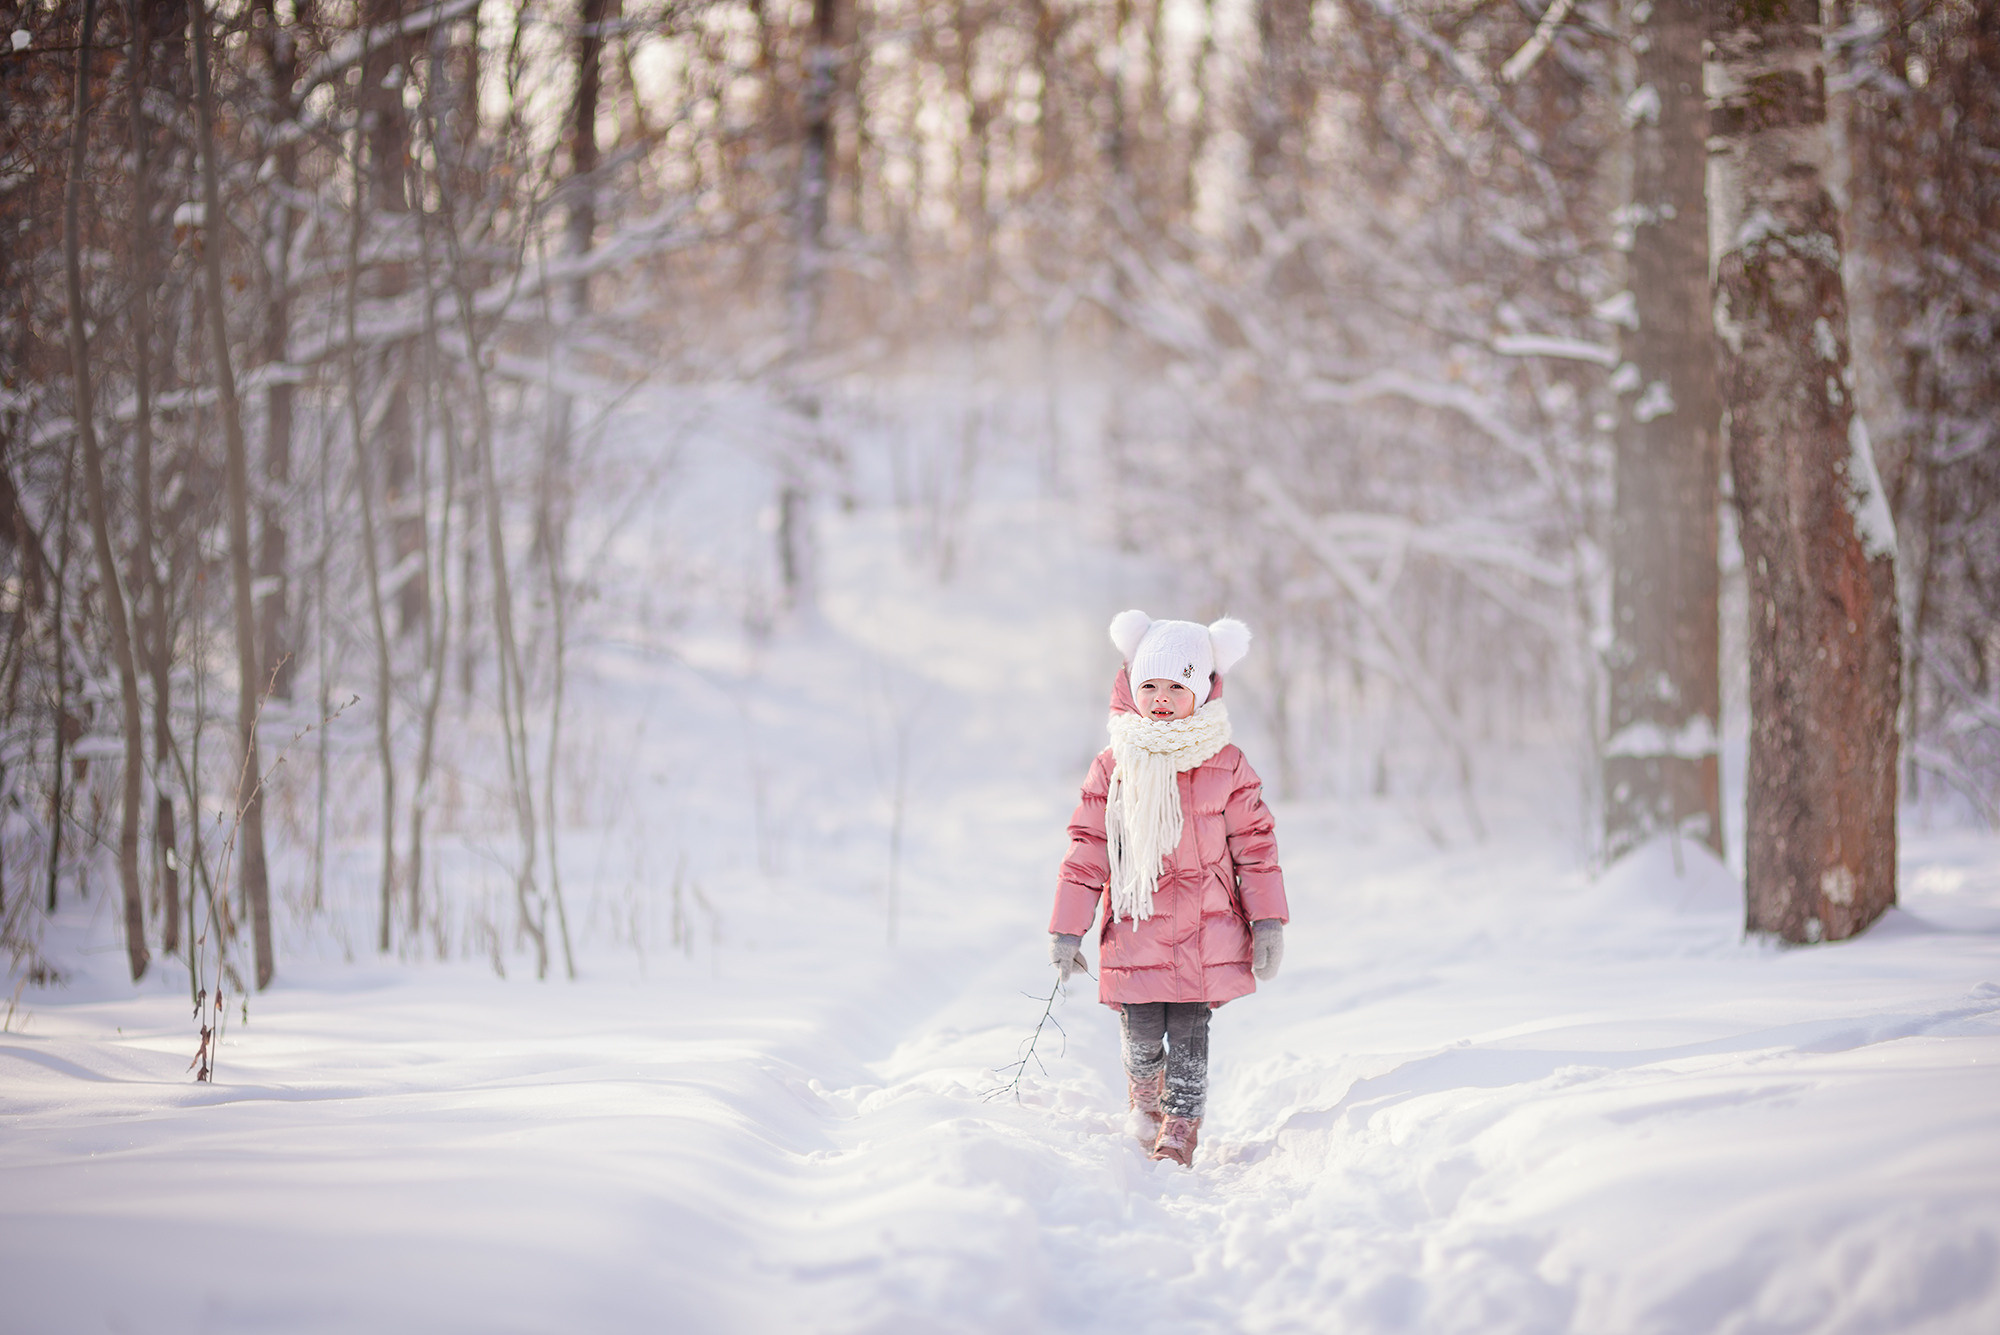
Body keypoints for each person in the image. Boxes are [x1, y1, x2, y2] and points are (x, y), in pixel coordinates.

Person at [1048, 610, 1289, 1167]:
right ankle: (1146, 1098)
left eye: (1176, 685)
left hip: (1206, 928)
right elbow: (1087, 848)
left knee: (1189, 1031)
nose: (1161, 697)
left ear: (1202, 690)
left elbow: (1256, 846)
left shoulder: (1226, 765)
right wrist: (1067, 929)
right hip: (1134, 926)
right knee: (1141, 1034)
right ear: (1132, 687)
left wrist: (1268, 919)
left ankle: (1181, 1125)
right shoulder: (1114, 765)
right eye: (1149, 685)